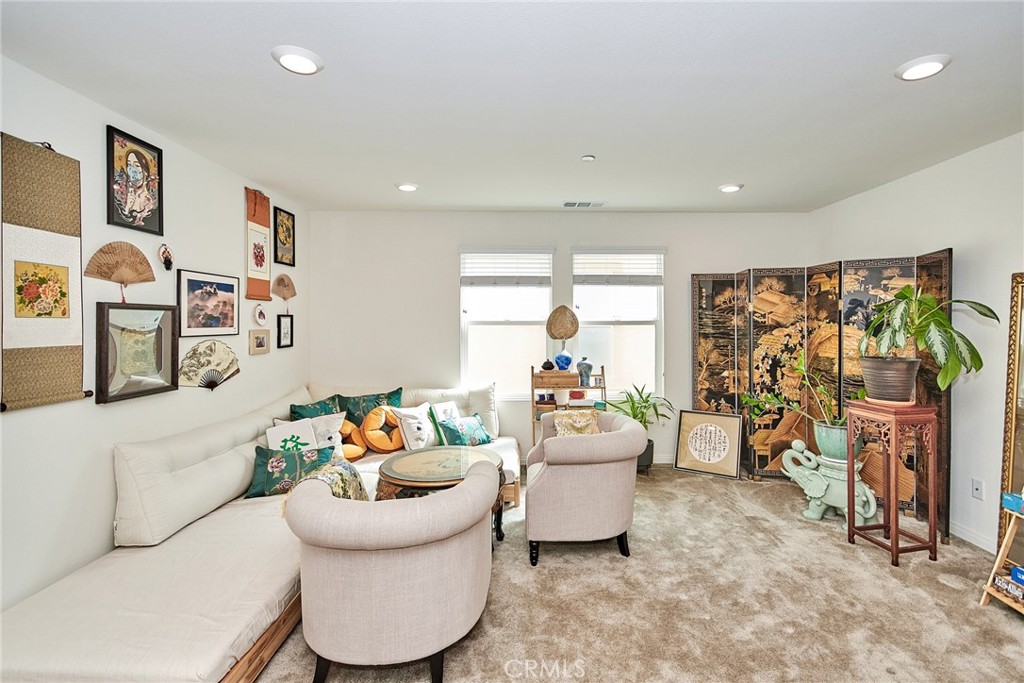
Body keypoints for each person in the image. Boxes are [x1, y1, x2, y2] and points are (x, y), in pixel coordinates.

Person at [113, 148, 156, 226]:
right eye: (129, 165)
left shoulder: (150, 203)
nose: (132, 169)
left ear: (145, 171)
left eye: (136, 165)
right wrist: (127, 208)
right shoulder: (122, 198)